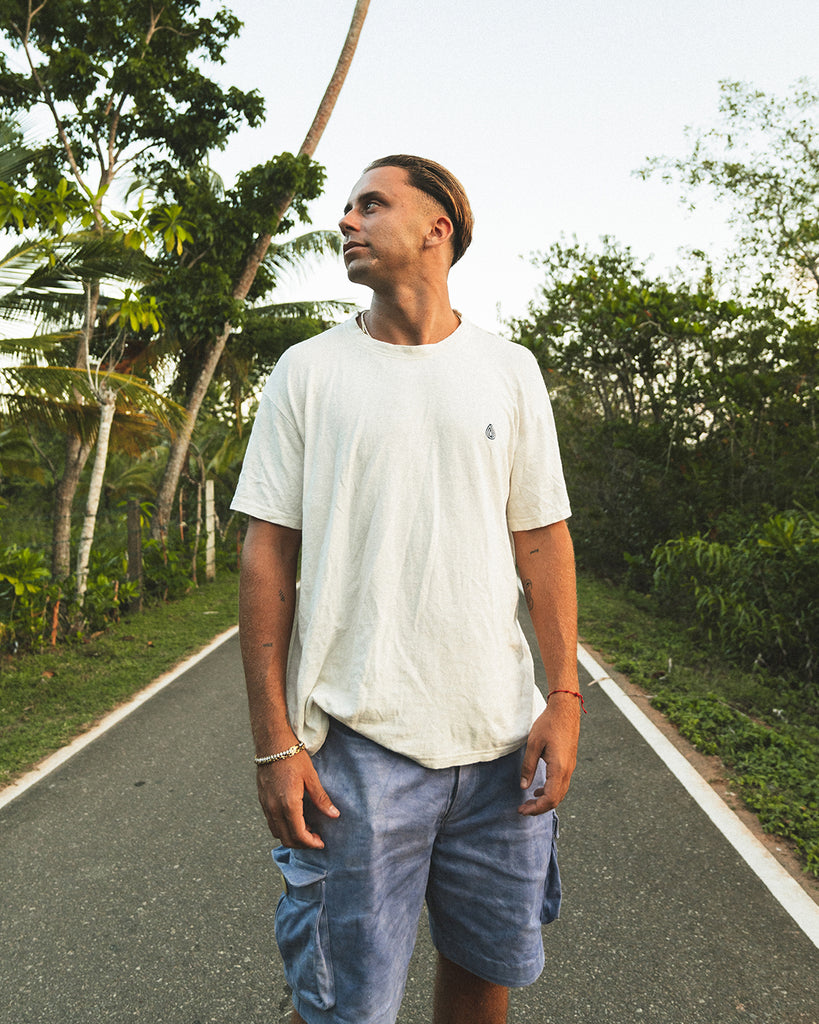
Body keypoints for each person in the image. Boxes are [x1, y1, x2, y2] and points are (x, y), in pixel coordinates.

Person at [231, 154, 582, 1024]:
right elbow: (267, 553)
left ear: (438, 227)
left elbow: (540, 539)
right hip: (355, 751)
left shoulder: (509, 368)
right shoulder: (307, 371)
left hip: (501, 747)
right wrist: (276, 744)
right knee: (349, 1005)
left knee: (481, 972)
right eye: (345, 208)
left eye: (370, 204)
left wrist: (564, 696)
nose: (345, 220)